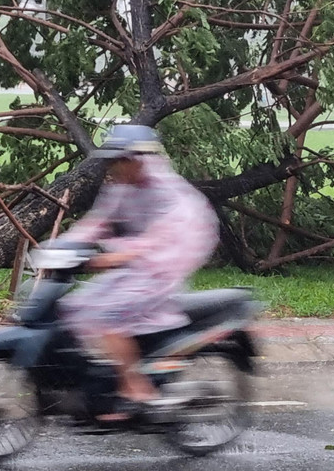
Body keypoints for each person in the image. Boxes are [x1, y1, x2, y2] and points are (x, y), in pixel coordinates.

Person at [58, 124, 219, 421]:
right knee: (75, 306)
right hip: (137, 263)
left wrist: (116, 258)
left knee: (110, 316)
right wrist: (63, 246)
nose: (114, 167)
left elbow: (159, 240)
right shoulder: (121, 187)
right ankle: (99, 377)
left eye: (119, 160)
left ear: (137, 159)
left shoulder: (170, 193)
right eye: (112, 161)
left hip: (168, 261)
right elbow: (98, 222)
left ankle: (136, 386)